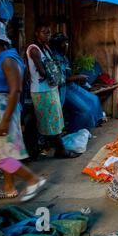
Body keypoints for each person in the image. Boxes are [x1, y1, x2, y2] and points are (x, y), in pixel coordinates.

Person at [0, 19, 46, 201]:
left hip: (1, 111)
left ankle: (33, 179)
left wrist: (5, 120)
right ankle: (9, 187)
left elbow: (15, 90)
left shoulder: (7, 60)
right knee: (3, 151)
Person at [26, 22, 79, 158]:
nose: (47, 35)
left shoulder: (46, 48)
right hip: (41, 91)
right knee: (50, 121)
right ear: (37, 33)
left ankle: (40, 150)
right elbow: (43, 72)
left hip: (51, 89)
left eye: (49, 32)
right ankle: (60, 150)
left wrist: (56, 74)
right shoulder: (34, 49)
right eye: (44, 32)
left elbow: (51, 68)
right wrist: (58, 75)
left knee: (52, 121)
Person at [50, 33, 104, 133]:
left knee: (94, 99)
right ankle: (74, 132)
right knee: (84, 110)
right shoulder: (54, 58)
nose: (66, 45)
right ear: (58, 44)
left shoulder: (63, 57)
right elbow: (60, 79)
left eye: (66, 42)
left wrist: (78, 76)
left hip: (71, 86)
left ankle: (90, 125)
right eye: (64, 43)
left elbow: (68, 72)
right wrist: (77, 77)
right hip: (63, 89)